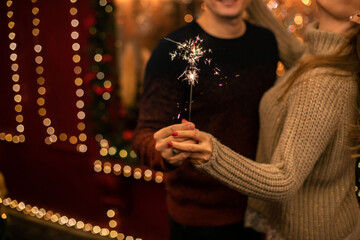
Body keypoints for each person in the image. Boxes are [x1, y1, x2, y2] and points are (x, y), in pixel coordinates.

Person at [166, 0, 360, 239]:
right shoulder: (324, 55)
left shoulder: (323, 82)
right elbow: (291, 50)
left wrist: (210, 152)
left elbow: (284, 179)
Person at [131, 0, 286, 239]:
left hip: (260, 205)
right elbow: (145, 135)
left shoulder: (265, 42)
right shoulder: (173, 49)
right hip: (199, 218)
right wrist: (163, 150)